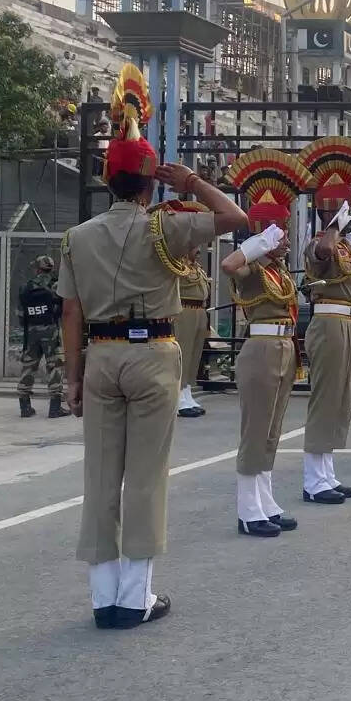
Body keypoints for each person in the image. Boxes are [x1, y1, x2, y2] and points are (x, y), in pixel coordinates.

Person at [58, 62, 246, 628]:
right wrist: (189, 184)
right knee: (144, 476)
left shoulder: (78, 237)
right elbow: (235, 217)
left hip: (100, 357)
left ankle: (101, 598)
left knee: (99, 477)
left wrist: (71, 378)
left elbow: (72, 312)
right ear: (148, 183)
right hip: (154, 354)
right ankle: (135, 599)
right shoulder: (167, 226)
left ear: (106, 179)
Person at [221, 149, 312, 537]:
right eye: (280, 232)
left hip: (284, 348)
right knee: (255, 430)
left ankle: (265, 500)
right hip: (260, 350)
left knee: (272, 431)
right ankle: (247, 509)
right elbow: (229, 265)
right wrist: (258, 242)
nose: (286, 239)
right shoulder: (253, 264)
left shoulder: (277, 269)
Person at [298, 136, 351, 503]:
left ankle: (326, 473)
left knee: (342, 398)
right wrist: (337, 224)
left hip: (346, 323)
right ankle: (313, 480)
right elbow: (325, 250)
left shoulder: (345, 244)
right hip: (327, 322)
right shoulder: (319, 242)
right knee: (325, 397)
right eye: (342, 205)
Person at [17, 254, 67, 418]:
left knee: (29, 365)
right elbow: (64, 307)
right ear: (51, 269)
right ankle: (55, 407)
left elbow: (20, 314)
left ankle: (24, 406)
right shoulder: (56, 286)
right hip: (51, 329)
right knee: (55, 365)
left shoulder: (26, 287)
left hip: (31, 331)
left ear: (37, 269)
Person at [170, 235, 211, 418]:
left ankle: (187, 392)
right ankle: (177, 397)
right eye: (195, 246)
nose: (199, 250)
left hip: (199, 311)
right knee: (184, 354)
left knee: (194, 356)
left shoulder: (197, 267)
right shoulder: (178, 265)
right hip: (184, 310)